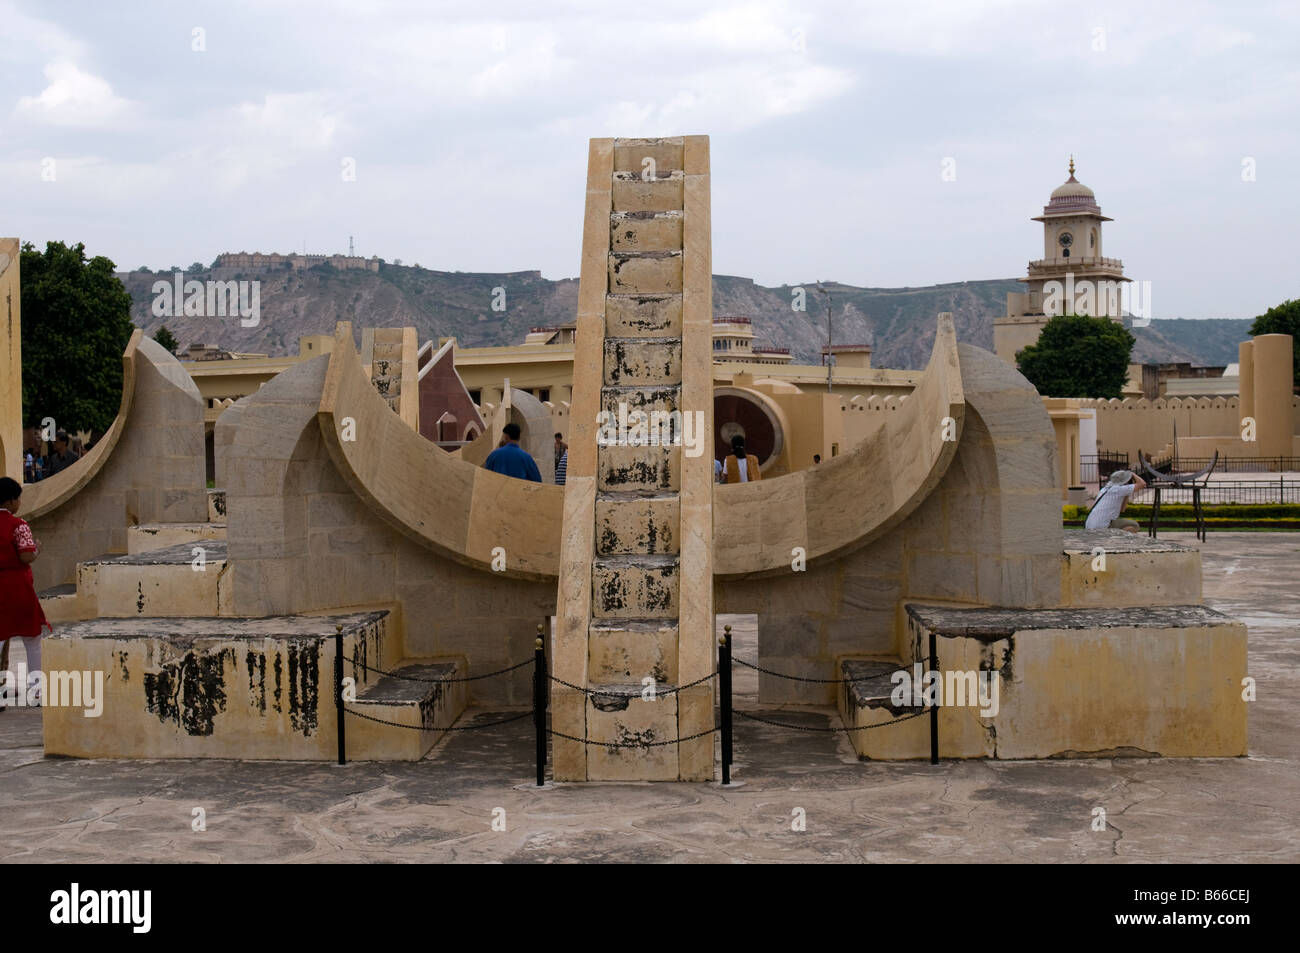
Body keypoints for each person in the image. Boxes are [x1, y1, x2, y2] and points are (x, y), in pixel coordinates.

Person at [0, 476, 51, 709]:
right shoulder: (18, 525)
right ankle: (37, 690)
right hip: (17, 586)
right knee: (32, 639)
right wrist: (37, 550)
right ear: (10, 501)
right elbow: (26, 555)